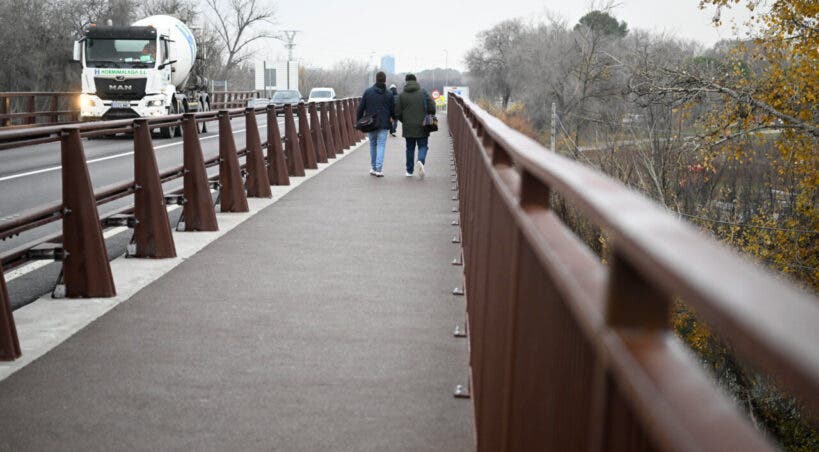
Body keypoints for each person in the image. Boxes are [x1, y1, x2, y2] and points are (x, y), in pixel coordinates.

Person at [395, 73, 436, 179]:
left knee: (410, 148)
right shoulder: (423, 92)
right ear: (416, 80)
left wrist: (405, 120)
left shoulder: (401, 95)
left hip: (408, 126)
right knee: (423, 146)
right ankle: (420, 161)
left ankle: (409, 171)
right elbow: (432, 107)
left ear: (406, 81)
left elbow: (397, 112)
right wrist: (429, 116)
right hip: (423, 125)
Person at [357, 71, 394, 177]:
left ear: (376, 79)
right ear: (385, 80)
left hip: (371, 123)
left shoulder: (368, 92)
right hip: (384, 123)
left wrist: (358, 121)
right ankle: (378, 169)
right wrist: (393, 118)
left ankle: (373, 168)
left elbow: (360, 108)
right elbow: (393, 109)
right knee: (381, 145)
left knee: (373, 144)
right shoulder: (389, 93)